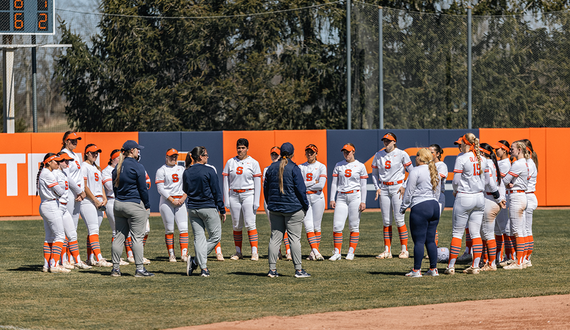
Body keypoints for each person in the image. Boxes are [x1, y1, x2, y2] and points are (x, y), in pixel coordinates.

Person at [446, 133, 501, 275]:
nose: (460, 146)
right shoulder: (483, 159)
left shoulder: (462, 158)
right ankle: (475, 265)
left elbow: (456, 181)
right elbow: (489, 182)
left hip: (464, 196)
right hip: (479, 198)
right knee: (475, 233)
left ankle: (450, 266)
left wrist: (455, 191)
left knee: (457, 233)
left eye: (461, 143)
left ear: (466, 144)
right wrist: (497, 196)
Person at [264, 142, 311, 278]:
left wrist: (270, 203)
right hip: (293, 208)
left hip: (275, 208)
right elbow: (301, 190)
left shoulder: (271, 168)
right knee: (294, 239)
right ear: (292, 154)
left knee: (275, 239)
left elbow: (266, 189)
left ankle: (272, 270)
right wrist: (305, 205)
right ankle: (298, 270)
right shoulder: (294, 167)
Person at [110, 140, 154, 277]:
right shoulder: (138, 166)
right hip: (134, 205)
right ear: (131, 151)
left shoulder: (117, 166)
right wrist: (147, 205)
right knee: (137, 238)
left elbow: (114, 188)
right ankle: (139, 269)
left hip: (118, 204)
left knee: (119, 237)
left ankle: (115, 269)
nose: (138, 151)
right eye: (137, 149)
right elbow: (143, 189)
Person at [183, 146, 226, 277]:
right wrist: (222, 209)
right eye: (206, 155)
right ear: (200, 157)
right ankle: (197, 262)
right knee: (215, 237)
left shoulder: (186, 172)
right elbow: (216, 191)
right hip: (207, 207)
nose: (207, 157)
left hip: (192, 208)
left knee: (199, 239)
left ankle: (202, 267)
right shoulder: (209, 170)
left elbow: (186, 189)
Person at [399, 148, 441, 277]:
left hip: (420, 206)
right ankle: (433, 269)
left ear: (419, 158)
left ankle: (416, 270)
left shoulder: (415, 171)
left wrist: (403, 207)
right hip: (434, 205)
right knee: (431, 240)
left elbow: (409, 192)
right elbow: (437, 192)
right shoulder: (434, 170)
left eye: (416, 156)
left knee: (418, 240)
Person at [371, 133, 413, 259]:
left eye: (388, 141)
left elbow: (412, 171)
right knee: (386, 221)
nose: (386, 143)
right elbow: (374, 173)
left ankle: (404, 250)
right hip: (383, 188)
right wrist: (377, 187)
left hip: (397, 187)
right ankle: (387, 250)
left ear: (394, 141)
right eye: (384, 140)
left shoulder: (402, 153)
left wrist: (404, 185)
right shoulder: (378, 155)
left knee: (399, 219)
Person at [223, 138, 262, 261]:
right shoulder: (230, 162)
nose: (240, 150)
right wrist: (227, 199)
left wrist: (257, 200)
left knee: (250, 224)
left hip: (248, 193)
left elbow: (257, 182)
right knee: (236, 225)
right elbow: (225, 181)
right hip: (234, 194)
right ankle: (238, 252)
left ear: (247, 148)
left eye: (243, 148)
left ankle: (254, 252)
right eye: (238, 147)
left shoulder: (253, 163)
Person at [329, 143, 368, 261]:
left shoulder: (360, 166)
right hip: (341, 196)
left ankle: (351, 251)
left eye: (348, 151)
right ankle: (337, 252)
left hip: (355, 196)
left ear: (353, 151)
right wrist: (332, 198)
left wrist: (363, 201)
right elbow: (334, 183)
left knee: (354, 226)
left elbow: (363, 185)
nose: (346, 153)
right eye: (344, 151)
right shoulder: (339, 165)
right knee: (337, 225)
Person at [54, 152, 92, 270]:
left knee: (72, 234)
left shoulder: (64, 172)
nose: (68, 163)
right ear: (59, 161)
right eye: (65, 160)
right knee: (58, 236)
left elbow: (71, 183)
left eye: (69, 160)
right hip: (57, 208)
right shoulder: (53, 174)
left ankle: (77, 261)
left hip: (64, 208)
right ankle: (58, 262)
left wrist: (80, 191)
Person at [80, 144, 112, 267]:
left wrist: (104, 197)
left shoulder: (96, 168)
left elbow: (100, 186)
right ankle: (99, 258)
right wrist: (94, 199)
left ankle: (90, 258)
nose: (95, 154)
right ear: (86, 153)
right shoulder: (84, 166)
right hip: (88, 201)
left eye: (96, 152)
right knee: (93, 229)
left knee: (93, 231)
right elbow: (84, 186)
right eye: (92, 152)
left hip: (99, 201)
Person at [156, 148, 189, 262]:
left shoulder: (181, 169)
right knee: (169, 229)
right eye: (171, 156)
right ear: (166, 157)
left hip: (180, 200)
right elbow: (160, 188)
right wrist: (171, 199)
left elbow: (188, 185)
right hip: (167, 202)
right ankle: (171, 254)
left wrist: (183, 197)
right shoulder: (161, 170)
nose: (173, 158)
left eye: (175, 156)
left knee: (184, 228)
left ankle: (184, 254)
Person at [37, 153, 68, 273]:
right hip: (50, 205)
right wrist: (62, 190)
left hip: (46, 204)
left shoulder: (44, 172)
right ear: (49, 162)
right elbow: (60, 191)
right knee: (60, 236)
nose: (58, 163)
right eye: (56, 161)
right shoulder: (48, 174)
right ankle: (54, 264)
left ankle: (47, 264)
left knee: (49, 237)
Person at [501, 141, 530, 270]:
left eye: (512, 148)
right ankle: (522, 260)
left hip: (516, 196)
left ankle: (518, 262)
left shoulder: (517, 163)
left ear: (519, 149)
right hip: (522, 195)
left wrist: (507, 182)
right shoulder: (525, 163)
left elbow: (505, 180)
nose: (510, 150)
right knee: (521, 231)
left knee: (517, 231)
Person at [479, 143, 506, 271]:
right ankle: (486, 261)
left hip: (490, 199)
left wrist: (499, 198)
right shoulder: (492, 163)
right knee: (485, 233)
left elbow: (490, 183)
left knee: (488, 233)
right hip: (491, 199)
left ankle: (491, 263)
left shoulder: (487, 163)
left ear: (483, 153)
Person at [60, 131, 86, 260]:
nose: (75, 142)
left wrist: (81, 191)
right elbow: (67, 177)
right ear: (66, 141)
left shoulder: (77, 155)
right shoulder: (63, 155)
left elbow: (79, 176)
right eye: (72, 140)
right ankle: (63, 259)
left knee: (74, 228)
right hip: (69, 193)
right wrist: (79, 191)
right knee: (67, 227)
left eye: (76, 140)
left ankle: (71, 258)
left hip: (77, 194)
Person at [102, 150, 131, 265]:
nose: (121, 160)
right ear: (114, 159)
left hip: (122, 200)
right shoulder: (106, 171)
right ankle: (116, 258)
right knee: (116, 232)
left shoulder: (123, 169)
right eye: (119, 158)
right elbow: (109, 186)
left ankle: (129, 255)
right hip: (112, 200)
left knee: (126, 231)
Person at [262, 146, 291, 260]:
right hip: (271, 199)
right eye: (272, 154)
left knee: (287, 226)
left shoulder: (286, 167)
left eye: (276, 154)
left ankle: (288, 251)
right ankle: (278, 251)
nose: (274, 156)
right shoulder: (266, 169)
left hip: (283, 199)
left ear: (281, 155)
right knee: (274, 227)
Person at [299, 144, 326, 261]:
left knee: (316, 226)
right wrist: (312, 182)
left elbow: (321, 184)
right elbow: (299, 186)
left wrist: (307, 184)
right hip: (305, 197)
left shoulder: (321, 166)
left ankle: (313, 252)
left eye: (312, 152)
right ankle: (316, 251)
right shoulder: (301, 167)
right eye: (307, 152)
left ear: (316, 153)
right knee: (308, 226)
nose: (309, 154)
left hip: (318, 197)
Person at [492, 140, 513, 264]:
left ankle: (510, 256)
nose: (496, 151)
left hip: (503, 198)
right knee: (498, 229)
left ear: (504, 150)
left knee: (505, 228)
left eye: (498, 149)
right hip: (499, 198)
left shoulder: (505, 163)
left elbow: (501, 181)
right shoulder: (500, 162)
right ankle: (500, 256)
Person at [522, 139, 538, 267]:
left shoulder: (529, 163)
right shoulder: (527, 162)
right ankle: (524, 257)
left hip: (528, 196)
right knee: (523, 229)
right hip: (526, 196)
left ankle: (527, 258)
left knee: (526, 229)